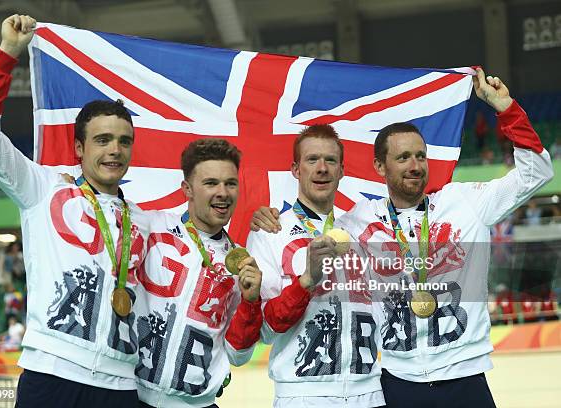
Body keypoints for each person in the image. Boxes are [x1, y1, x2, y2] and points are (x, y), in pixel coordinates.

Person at [252, 69, 553, 407]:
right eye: (403, 157)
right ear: (380, 167)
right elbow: (310, 216)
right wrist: (267, 215)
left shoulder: (464, 203)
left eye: (421, 156)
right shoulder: (357, 221)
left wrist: (506, 108)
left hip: (465, 376)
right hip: (397, 383)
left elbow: (536, 173)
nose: (415, 165)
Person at [0, 15, 151, 407]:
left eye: (124, 141)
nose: (115, 150)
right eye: (102, 140)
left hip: (120, 385)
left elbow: (205, 226)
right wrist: (7, 54)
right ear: (79, 148)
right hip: (52, 374)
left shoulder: (145, 220)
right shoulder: (41, 187)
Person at [247, 125, 385, 407]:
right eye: (312, 160)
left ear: (342, 171)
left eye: (330, 160)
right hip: (303, 395)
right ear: (296, 170)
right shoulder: (271, 232)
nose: (322, 168)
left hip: (370, 394)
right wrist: (305, 281)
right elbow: (264, 328)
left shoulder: (362, 230)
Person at [135, 138, 264, 407]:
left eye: (230, 183)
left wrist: (250, 303)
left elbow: (238, 355)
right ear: (188, 189)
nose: (223, 192)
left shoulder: (240, 262)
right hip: (130, 397)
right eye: (210, 183)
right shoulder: (151, 226)